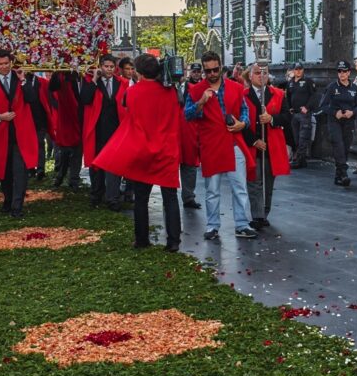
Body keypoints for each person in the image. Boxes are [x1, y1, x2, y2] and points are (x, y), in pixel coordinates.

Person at [94, 54, 182, 251]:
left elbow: (129, 114)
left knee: (141, 198)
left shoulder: (132, 93)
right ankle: (173, 241)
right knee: (170, 197)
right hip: (167, 149)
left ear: (139, 72)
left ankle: (142, 239)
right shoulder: (170, 91)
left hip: (143, 150)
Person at [185, 51, 256, 240]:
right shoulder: (196, 90)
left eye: (215, 69)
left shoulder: (235, 87)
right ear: (203, 69)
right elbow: (188, 115)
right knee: (212, 189)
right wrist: (201, 102)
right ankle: (212, 225)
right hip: (211, 144)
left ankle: (242, 224)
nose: (211, 74)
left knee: (239, 186)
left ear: (221, 66)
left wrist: (243, 123)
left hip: (234, 142)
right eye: (207, 71)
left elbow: (244, 109)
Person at [0, 49, 38, 218]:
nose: (4, 67)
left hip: (21, 134)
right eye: (0, 64)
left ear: (11, 63)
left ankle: (17, 206)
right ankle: (8, 200)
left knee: (20, 171)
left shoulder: (21, 79)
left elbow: (32, 99)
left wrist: (23, 80)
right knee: (5, 171)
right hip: (0, 135)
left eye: (6, 63)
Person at [243, 64, 291, 227]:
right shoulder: (243, 95)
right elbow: (240, 121)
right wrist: (254, 140)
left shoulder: (278, 94)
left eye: (264, 73)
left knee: (268, 182)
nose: (261, 76)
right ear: (250, 76)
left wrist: (271, 119)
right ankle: (257, 216)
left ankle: (265, 212)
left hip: (272, 146)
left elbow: (286, 117)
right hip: (252, 146)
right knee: (254, 180)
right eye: (257, 73)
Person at [80, 54, 128, 210]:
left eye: (111, 67)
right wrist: (94, 79)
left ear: (115, 68)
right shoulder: (92, 82)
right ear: (100, 66)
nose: (108, 69)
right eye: (106, 66)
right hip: (98, 131)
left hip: (116, 131)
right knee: (96, 166)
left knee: (114, 166)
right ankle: (96, 195)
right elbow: (85, 99)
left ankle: (112, 198)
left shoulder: (122, 83)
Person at [318, 61, 357, 187]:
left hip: (348, 122)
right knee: (338, 145)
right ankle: (343, 174)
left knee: (345, 148)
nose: (341, 74)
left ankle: (338, 176)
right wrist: (335, 112)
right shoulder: (332, 87)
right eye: (339, 71)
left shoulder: (354, 88)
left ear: (348, 72)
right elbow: (323, 105)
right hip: (334, 121)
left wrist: (352, 112)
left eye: (344, 71)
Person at [47, 71, 84, 189]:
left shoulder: (85, 74)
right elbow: (51, 88)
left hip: (81, 116)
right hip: (66, 117)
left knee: (77, 151)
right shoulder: (61, 75)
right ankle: (60, 176)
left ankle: (74, 180)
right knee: (65, 152)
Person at [283, 62, 319, 168]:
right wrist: (289, 107)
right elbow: (288, 96)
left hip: (304, 114)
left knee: (303, 137)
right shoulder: (290, 83)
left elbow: (314, 96)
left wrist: (307, 107)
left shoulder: (308, 81)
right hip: (295, 114)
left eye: (300, 69)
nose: (298, 71)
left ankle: (299, 159)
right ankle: (301, 160)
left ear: (303, 70)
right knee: (296, 138)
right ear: (293, 70)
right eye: (296, 69)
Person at [179, 62, 203, 209]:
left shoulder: (206, 86)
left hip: (199, 127)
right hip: (185, 127)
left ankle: (189, 196)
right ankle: (177, 195)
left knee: (192, 164)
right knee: (186, 162)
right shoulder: (182, 87)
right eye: (193, 71)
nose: (195, 74)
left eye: (197, 71)